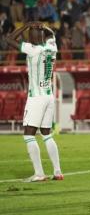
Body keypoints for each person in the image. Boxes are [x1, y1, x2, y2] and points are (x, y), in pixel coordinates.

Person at [5, 22, 63, 182]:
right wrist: (43, 27)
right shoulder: (52, 47)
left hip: (36, 97)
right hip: (49, 96)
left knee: (28, 135)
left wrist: (26, 26)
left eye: (30, 33)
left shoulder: (32, 49)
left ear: (33, 37)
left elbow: (8, 39)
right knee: (46, 134)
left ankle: (39, 173)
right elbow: (52, 34)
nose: (28, 36)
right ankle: (57, 172)